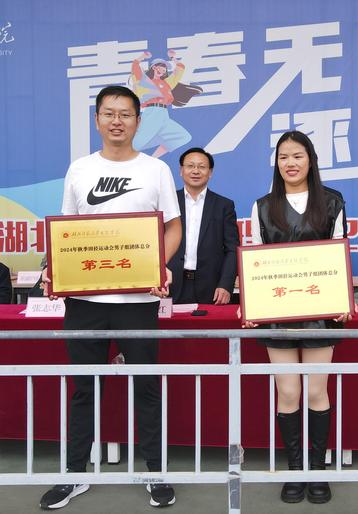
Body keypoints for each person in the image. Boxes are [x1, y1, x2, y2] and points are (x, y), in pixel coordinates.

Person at [39, 85, 182, 510]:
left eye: (125, 114)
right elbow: (66, 231)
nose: (117, 121)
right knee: (84, 388)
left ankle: (155, 472)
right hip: (86, 301)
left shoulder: (156, 170)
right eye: (108, 113)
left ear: (138, 121)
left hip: (138, 301)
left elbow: (172, 227)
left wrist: (158, 265)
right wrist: (53, 269)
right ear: (97, 120)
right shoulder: (80, 169)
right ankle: (74, 474)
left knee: (147, 387)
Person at [244, 130, 352, 504]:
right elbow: (255, 259)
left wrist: (343, 299)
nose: (290, 163)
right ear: (276, 163)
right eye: (283, 157)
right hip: (278, 313)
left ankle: (316, 470)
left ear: (311, 160)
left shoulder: (333, 202)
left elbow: (339, 253)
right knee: (288, 392)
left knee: (317, 391)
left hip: (321, 313)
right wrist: (252, 306)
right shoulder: (262, 206)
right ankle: (295, 470)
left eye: (297, 156)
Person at [168, 147, 239, 304]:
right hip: (171, 285)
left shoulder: (223, 205)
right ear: (181, 170)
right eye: (190, 166)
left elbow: (232, 249)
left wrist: (225, 284)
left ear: (210, 172)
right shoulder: (168, 202)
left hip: (211, 288)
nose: (196, 171)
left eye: (201, 167)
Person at [130, 50, 201, 158]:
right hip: (152, 112)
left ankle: (153, 159)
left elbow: (180, 70)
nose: (162, 71)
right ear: (154, 67)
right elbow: (135, 66)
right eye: (160, 68)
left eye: (164, 70)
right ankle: (120, 159)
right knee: (137, 143)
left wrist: (173, 58)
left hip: (163, 113)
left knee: (182, 136)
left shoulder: (167, 83)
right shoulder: (144, 81)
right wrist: (143, 56)